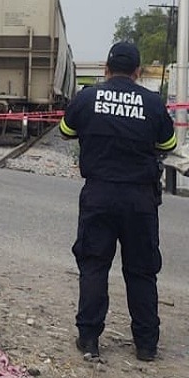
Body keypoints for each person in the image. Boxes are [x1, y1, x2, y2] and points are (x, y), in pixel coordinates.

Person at [58, 41, 176, 361]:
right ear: (137, 72)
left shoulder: (87, 98)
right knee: (141, 270)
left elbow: (66, 130)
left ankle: (89, 340)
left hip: (99, 194)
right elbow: (169, 141)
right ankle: (147, 345)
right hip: (140, 198)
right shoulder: (151, 103)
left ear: (107, 70)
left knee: (94, 264)